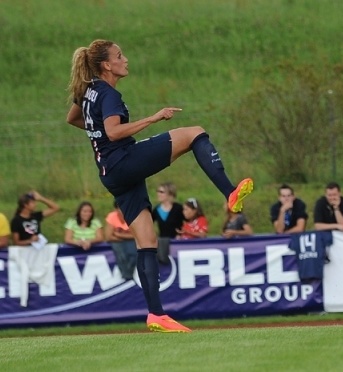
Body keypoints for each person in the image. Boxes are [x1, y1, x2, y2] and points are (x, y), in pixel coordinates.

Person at [66, 39, 254, 333]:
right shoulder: (108, 94)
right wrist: (153, 118)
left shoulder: (88, 90)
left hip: (110, 173)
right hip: (123, 161)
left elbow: (73, 118)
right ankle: (230, 192)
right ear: (106, 65)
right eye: (119, 55)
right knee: (194, 133)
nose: (125, 59)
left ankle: (156, 315)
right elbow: (114, 133)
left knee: (147, 242)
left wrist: (98, 134)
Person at [152, 182, 184, 263]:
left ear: (170, 194)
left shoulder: (178, 208)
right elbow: (148, 224)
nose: (158, 194)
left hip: (178, 241)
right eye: (158, 191)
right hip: (162, 242)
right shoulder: (156, 210)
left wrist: (181, 234)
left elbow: (187, 223)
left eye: (161, 192)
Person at [105, 201, 137, 281]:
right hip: (117, 242)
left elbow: (137, 235)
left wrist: (119, 235)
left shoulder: (134, 216)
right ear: (116, 209)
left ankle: (129, 275)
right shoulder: (112, 217)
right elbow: (108, 237)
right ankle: (126, 276)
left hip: (128, 241)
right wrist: (127, 237)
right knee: (121, 256)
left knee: (134, 255)